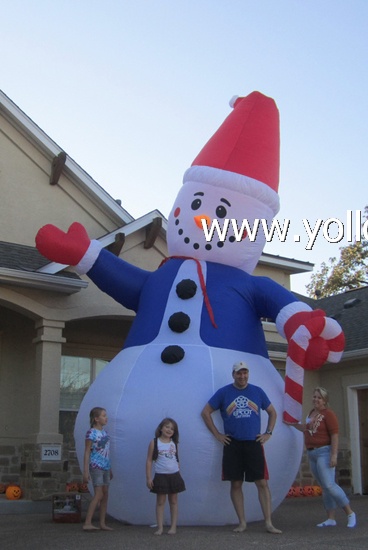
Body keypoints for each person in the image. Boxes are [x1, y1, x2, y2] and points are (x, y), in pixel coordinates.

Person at [201, 361, 281, 534]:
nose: (242, 376)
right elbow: (205, 412)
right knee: (236, 483)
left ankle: (268, 522)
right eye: (239, 373)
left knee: (261, 482)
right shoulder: (224, 392)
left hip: (253, 443)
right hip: (233, 444)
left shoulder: (257, 391)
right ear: (233, 375)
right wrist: (217, 434)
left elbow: (273, 412)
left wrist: (268, 433)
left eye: (245, 373)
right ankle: (242, 522)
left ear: (248, 374)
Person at [284, 387, 356, 528]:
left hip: (324, 452)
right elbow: (307, 428)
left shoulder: (328, 414)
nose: (316, 400)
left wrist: (334, 455)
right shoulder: (312, 413)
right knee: (324, 487)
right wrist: (292, 424)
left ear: (325, 400)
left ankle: (350, 513)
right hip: (312, 453)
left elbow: (335, 435)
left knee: (330, 485)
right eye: (315, 397)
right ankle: (331, 518)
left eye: (319, 398)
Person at [146, 417, 186, 535]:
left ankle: (173, 527)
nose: (169, 430)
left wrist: (179, 474)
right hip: (160, 476)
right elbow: (149, 460)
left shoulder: (174, 444)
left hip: (174, 475)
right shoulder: (154, 442)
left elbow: (177, 460)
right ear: (161, 428)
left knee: (173, 501)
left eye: (172, 428)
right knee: (160, 502)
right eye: (167, 427)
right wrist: (148, 477)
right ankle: (160, 527)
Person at [82, 407, 113, 531]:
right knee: (99, 493)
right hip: (96, 466)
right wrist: (85, 471)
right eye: (104, 415)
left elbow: (106, 452)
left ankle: (102, 523)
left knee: (105, 494)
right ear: (96, 419)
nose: (106, 418)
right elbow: (87, 452)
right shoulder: (91, 433)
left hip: (105, 466)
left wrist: (110, 468)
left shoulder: (105, 433)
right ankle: (88, 522)